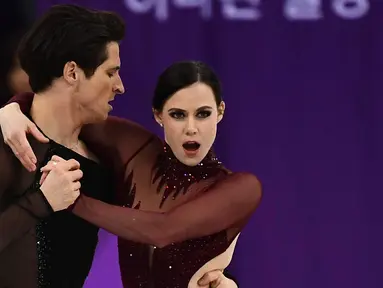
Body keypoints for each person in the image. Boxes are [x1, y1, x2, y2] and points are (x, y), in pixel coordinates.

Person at [0, 4, 241, 288]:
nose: (120, 86)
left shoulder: (103, 158)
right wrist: (41, 202)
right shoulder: (11, 146)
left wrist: (211, 277)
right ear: (73, 73)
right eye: (111, 72)